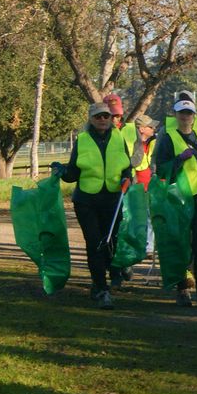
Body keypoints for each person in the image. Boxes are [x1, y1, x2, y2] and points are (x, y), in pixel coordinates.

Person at [51, 101, 135, 310]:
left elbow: (127, 167)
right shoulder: (83, 140)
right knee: (95, 243)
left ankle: (111, 273)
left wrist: (127, 178)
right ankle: (101, 288)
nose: (103, 120)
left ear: (111, 118)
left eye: (106, 116)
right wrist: (61, 171)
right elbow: (73, 173)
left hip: (113, 199)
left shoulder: (119, 137)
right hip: (87, 201)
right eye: (98, 117)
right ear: (90, 119)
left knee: (110, 241)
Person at [155, 94, 197, 307]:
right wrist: (178, 161)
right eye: (182, 113)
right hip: (179, 198)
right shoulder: (168, 137)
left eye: (189, 113)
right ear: (175, 114)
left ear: (194, 115)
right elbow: (161, 169)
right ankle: (182, 288)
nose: (185, 117)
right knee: (181, 241)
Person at [121, 114, 158, 189]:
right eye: (150, 127)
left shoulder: (150, 142)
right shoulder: (133, 144)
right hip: (135, 189)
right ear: (141, 129)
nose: (154, 128)